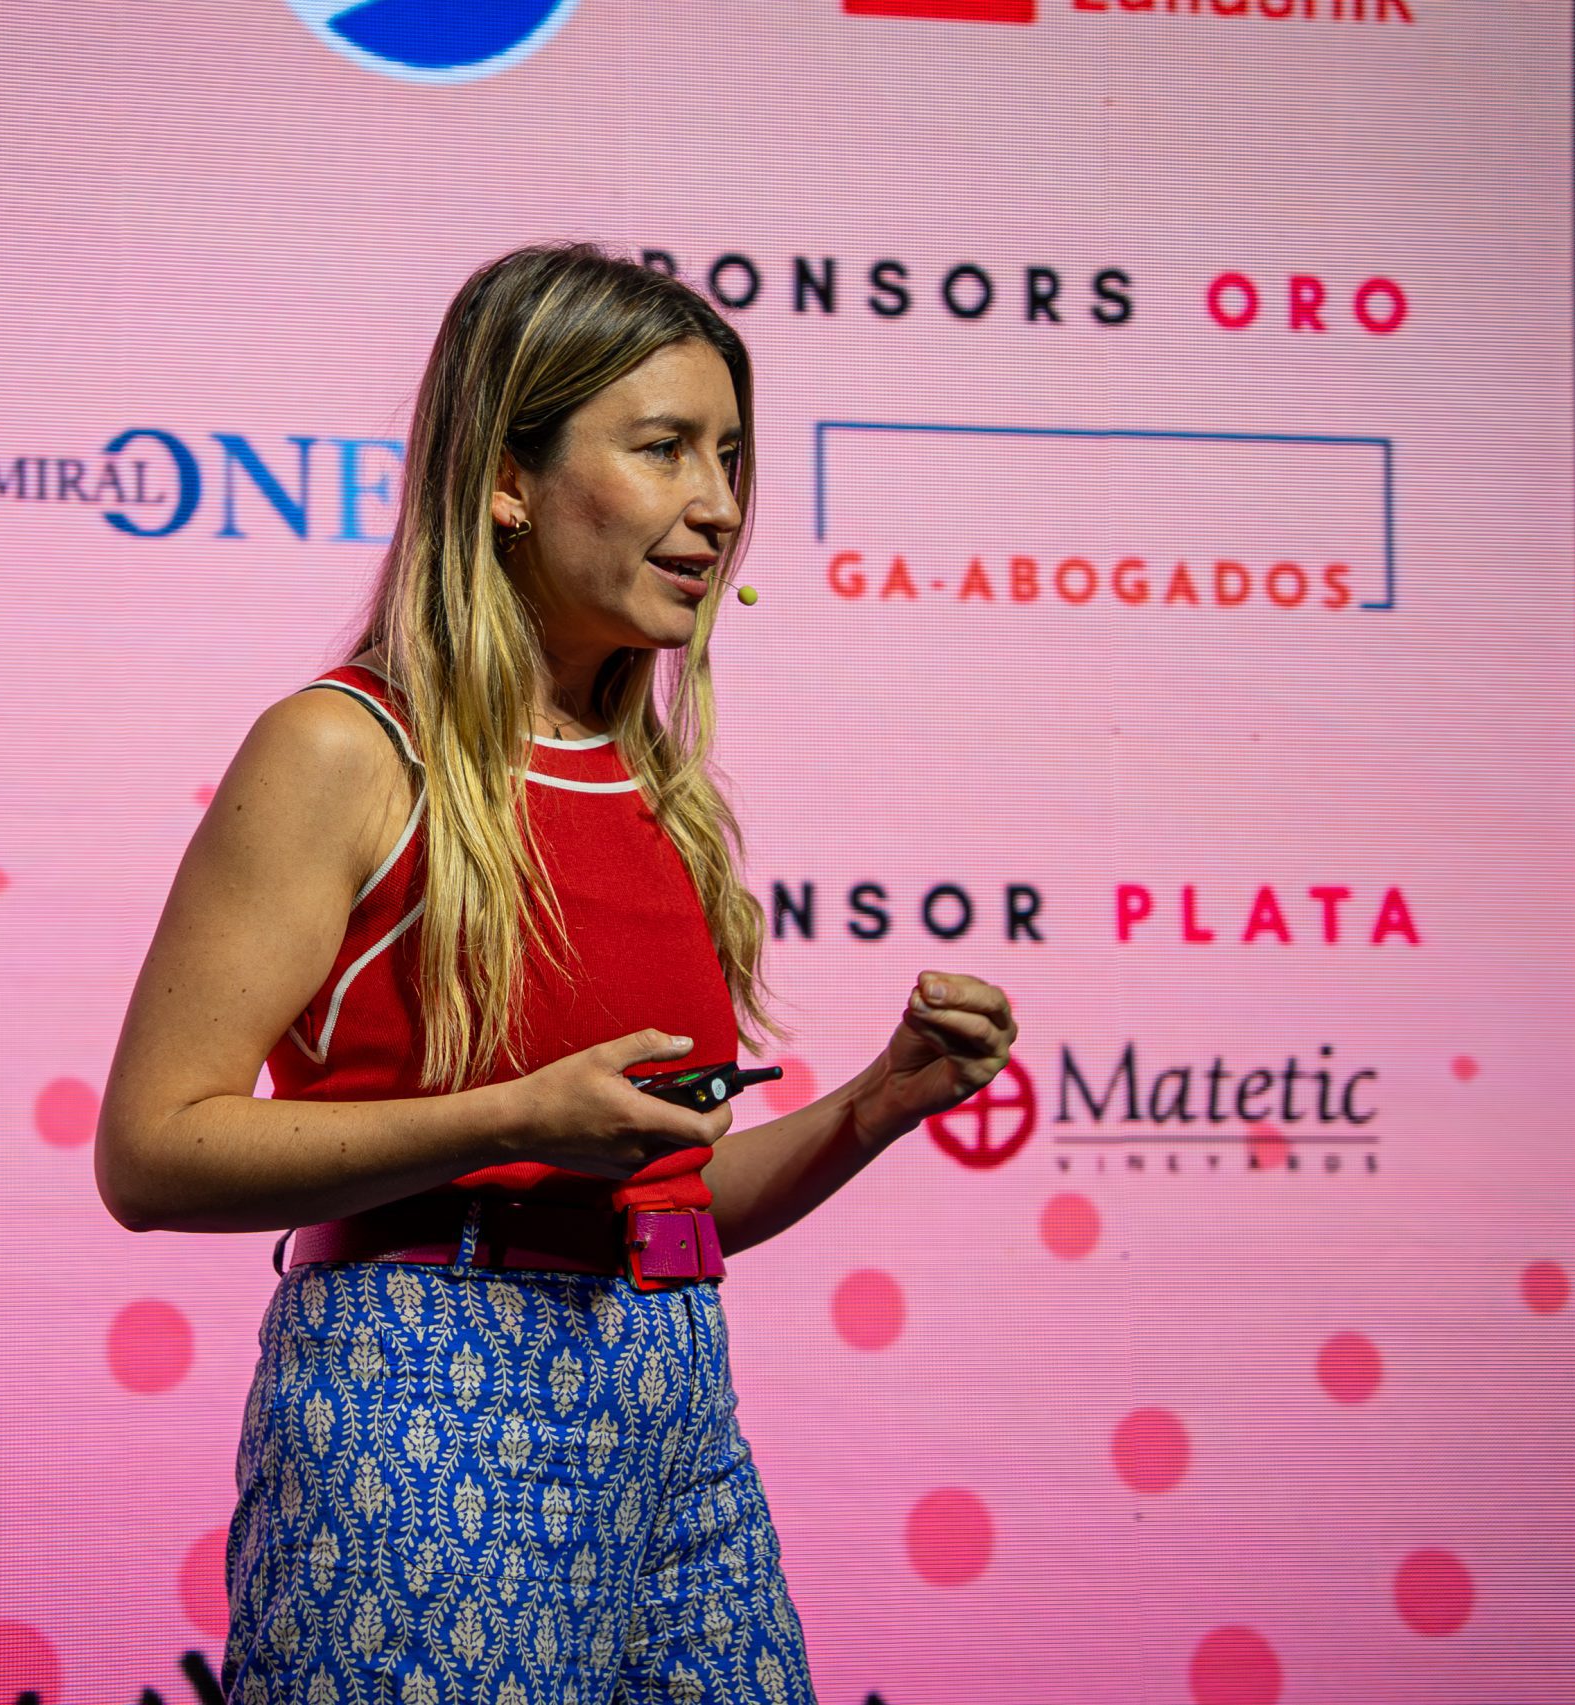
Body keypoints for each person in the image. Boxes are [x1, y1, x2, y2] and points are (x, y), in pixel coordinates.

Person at [98, 242, 1017, 1705]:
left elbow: (662, 1196)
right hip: (420, 1394)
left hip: (675, 1395)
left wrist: (875, 1105)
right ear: (505, 478)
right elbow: (151, 1153)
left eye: (731, 456)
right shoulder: (343, 749)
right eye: (663, 449)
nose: (720, 504)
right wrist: (514, 1117)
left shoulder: (660, 788)